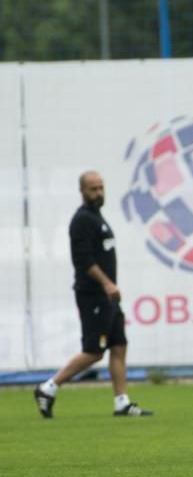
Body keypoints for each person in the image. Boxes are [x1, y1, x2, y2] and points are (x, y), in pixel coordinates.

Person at [33, 171, 153, 419]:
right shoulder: (82, 220)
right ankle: (48, 388)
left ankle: (122, 402)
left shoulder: (97, 217)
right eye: (93, 189)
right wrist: (107, 284)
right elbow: (84, 261)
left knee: (119, 344)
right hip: (93, 295)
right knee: (94, 351)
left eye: (101, 188)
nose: (98, 193)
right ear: (82, 192)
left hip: (107, 297)